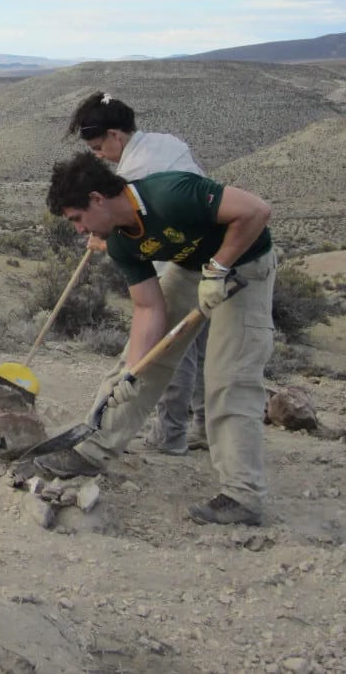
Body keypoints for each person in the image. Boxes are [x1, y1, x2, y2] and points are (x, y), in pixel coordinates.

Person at [38, 152, 275, 526]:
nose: (80, 230)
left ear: (97, 199)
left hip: (243, 262)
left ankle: (243, 496)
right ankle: (92, 450)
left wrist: (219, 268)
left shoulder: (169, 194)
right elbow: (148, 309)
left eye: (77, 218)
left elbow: (257, 211)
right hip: (191, 268)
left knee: (229, 377)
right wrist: (132, 371)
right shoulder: (120, 241)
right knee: (139, 366)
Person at [67, 91, 209, 454]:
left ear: (116, 135)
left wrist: (104, 241)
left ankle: (170, 435)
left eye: (99, 146)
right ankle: (205, 427)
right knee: (202, 350)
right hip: (208, 262)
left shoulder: (135, 174)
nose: (99, 155)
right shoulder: (166, 143)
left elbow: (132, 231)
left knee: (172, 350)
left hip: (176, 265)